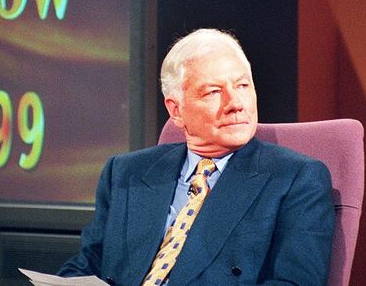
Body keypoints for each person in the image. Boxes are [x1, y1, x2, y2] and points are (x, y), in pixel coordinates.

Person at [58, 28, 335, 285]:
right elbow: (87, 265)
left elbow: (295, 283)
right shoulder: (125, 172)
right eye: (214, 92)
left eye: (242, 86)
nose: (235, 104)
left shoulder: (296, 179)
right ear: (176, 110)